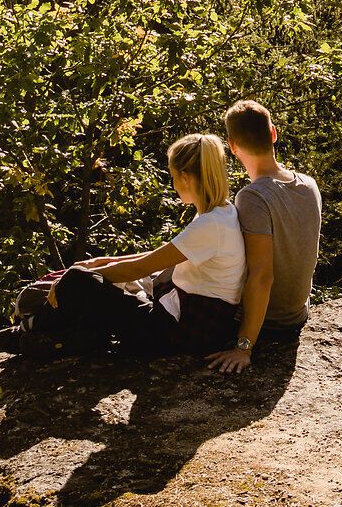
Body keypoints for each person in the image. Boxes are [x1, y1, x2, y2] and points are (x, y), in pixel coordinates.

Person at [42, 133, 245, 359]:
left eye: (173, 176)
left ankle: (38, 330)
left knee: (76, 280)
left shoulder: (211, 225)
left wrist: (78, 276)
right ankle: (66, 336)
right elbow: (164, 254)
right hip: (190, 323)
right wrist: (102, 262)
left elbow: (139, 269)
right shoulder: (220, 213)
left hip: (180, 333)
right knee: (84, 278)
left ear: (186, 178)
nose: (174, 185)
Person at [206, 98, 322, 374]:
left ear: (232, 146)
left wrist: (244, 347)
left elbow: (261, 275)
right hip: (297, 315)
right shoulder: (309, 185)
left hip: (270, 323)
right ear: (273, 133)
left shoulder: (253, 197)